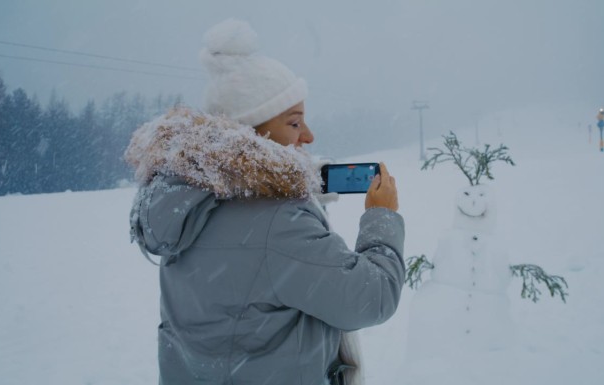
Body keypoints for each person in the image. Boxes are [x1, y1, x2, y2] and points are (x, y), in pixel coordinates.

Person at [126, 19, 405, 385]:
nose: (309, 135)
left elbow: (243, 251)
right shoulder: (280, 222)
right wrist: (381, 216)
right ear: (251, 135)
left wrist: (293, 183)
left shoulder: (183, 202)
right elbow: (371, 298)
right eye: (293, 123)